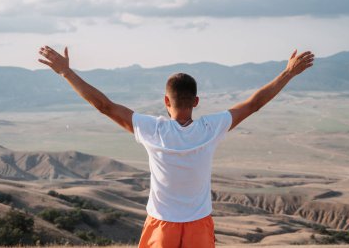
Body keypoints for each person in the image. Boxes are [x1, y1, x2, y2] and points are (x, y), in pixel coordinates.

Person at [38, 46, 314, 247]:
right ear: (196, 101)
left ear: (166, 101)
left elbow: (104, 106)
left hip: (161, 223)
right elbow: (254, 104)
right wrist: (287, 73)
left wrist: (65, 71)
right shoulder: (210, 129)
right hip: (199, 224)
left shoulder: (152, 130)